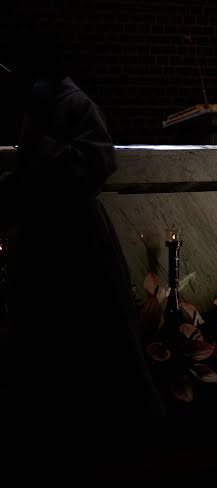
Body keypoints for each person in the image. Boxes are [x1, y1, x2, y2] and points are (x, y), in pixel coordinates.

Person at [0, 47, 165, 440]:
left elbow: (98, 162)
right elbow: (28, 174)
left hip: (76, 237)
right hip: (45, 234)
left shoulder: (76, 105)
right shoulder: (40, 105)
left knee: (90, 331)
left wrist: (45, 153)